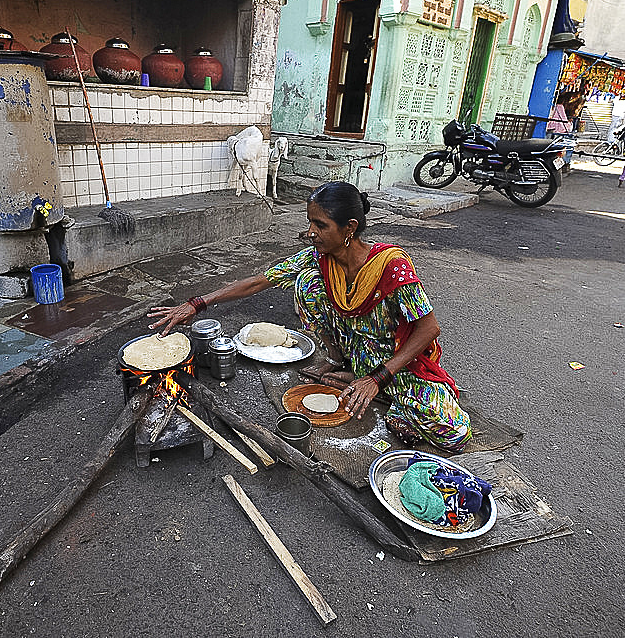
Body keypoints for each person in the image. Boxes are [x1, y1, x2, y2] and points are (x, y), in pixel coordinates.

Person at [148, 181, 471, 452]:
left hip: (394, 362)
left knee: (454, 435)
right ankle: (340, 363)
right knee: (307, 283)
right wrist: (198, 303)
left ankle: (375, 387)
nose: (311, 232)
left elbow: (429, 329)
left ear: (350, 228)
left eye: (321, 225)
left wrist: (376, 380)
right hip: (358, 355)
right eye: (310, 222)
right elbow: (261, 280)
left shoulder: (392, 265)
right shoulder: (320, 259)